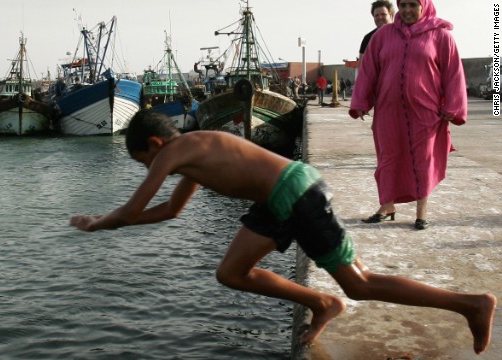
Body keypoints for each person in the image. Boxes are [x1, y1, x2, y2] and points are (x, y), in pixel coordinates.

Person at [70, 110, 496, 354]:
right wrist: (115, 221)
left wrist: (97, 223)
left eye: (144, 162)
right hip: (277, 201)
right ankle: (323, 302)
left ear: (155, 145)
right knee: (231, 272)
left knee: (360, 284)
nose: (149, 169)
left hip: (297, 194)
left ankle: (470, 304)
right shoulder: (194, 152)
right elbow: (169, 211)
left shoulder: (177, 151)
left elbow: (134, 208)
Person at [350, 0, 467, 230]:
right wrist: (361, 101)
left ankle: (421, 212)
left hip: (425, 111)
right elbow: (368, 70)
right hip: (388, 110)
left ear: (424, 6)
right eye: (403, 5)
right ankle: (387, 206)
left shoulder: (441, 36)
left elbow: (453, 74)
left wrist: (452, 107)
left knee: (423, 159)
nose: (407, 11)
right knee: (388, 157)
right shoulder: (383, 35)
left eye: (413, 5)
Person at [358, 1, 395, 69]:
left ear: (391, 15)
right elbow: (361, 67)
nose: (380, 17)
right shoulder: (368, 38)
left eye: (383, 14)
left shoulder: (401, 35)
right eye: (376, 15)